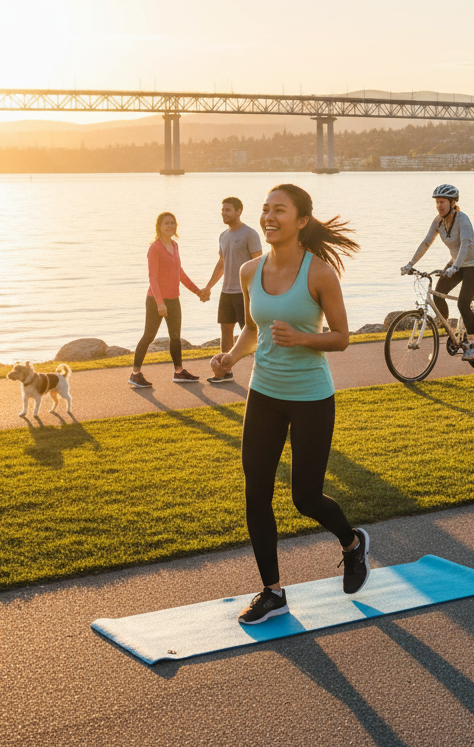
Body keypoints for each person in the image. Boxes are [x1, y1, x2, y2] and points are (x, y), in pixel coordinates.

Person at [209, 183, 368, 624]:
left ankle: (352, 543)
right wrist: (230, 358)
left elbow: (341, 337)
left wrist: (302, 338)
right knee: (256, 492)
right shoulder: (248, 270)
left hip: (311, 397)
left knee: (305, 497)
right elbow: (252, 330)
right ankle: (272, 591)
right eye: (265, 210)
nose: (268, 217)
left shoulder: (319, 274)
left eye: (279, 210)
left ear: (301, 221)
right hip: (263, 394)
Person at [402, 183, 474, 361]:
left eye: (442, 202)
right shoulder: (438, 221)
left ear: (452, 202)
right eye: (437, 202)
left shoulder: (462, 219)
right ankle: (450, 331)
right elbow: (426, 243)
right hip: (456, 262)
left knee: (463, 304)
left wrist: (455, 267)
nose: (439, 206)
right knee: (438, 294)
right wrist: (410, 264)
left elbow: (465, 244)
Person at [129, 212, 209, 388]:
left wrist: (197, 291)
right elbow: (153, 278)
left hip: (174, 299)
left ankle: (179, 372)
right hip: (156, 300)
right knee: (148, 336)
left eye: (173, 223)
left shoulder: (174, 245)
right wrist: (160, 303)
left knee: (175, 337)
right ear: (159, 226)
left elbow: (179, 273)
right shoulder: (155, 249)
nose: (170, 226)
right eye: (166, 223)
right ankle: (135, 373)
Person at [202, 196, 263, 383]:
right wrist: (208, 287)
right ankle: (224, 371)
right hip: (226, 292)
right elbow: (222, 263)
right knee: (225, 332)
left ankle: (265, 371)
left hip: (245, 293)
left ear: (238, 211)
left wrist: (258, 291)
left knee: (252, 333)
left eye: (227, 210)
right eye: (222, 210)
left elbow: (259, 263)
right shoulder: (223, 236)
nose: (224, 213)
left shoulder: (250, 234)